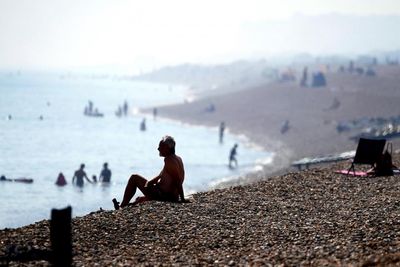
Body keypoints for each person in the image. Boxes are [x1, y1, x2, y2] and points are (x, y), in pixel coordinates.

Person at [113, 135, 186, 209]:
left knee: (134, 178)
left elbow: (178, 180)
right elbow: (160, 176)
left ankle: (122, 206)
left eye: (160, 146)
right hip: (167, 195)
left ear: (167, 148)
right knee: (140, 199)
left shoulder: (169, 160)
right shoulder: (177, 158)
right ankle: (126, 207)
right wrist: (148, 183)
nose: (158, 149)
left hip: (164, 195)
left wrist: (182, 199)